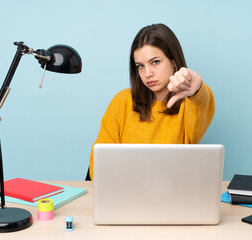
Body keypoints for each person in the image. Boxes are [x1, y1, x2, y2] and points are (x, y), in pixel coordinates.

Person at [87, 23, 215, 180]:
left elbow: (201, 101)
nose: (147, 73)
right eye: (140, 66)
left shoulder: (190, 104)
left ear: (173, 60)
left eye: (155, 62)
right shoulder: (122, 101)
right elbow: (100, 159)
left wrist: (197, 89)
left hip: (172, 194)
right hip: (124, 193)